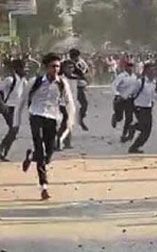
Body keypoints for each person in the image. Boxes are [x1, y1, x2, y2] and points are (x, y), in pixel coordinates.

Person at [15, 53, 75, 200]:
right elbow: (22, 101)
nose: (56, 69)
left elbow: (70, 104)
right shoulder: (35, 82)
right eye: (53, 66)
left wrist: (69, 124)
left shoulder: (62, 84)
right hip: (36, 116)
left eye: (58, 66)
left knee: (48, 154)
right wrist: (16, 122)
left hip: (52, 118)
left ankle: (31, 156)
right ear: (46, 68)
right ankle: (44, 187)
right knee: (40, 150)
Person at [126, 62, 157, 154]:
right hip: (139, 107)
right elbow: (130, 92)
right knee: (145, 128)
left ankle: (134, 137)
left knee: (147, 129)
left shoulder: (155, 83)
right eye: (151, 70)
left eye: (154, 70)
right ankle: (134, 145)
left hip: (148, 107)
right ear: (146, 71)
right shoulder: (140, 82)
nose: (153, 72)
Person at [0, 59, 27, 161]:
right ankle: (2, 151)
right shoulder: (9, 79)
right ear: (17, 69)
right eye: (23, 67)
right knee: (14, 129)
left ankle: (3, 151)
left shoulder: (23, 80)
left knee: (14, 130)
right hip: (8, 107)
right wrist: (2, 105)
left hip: (16, 108)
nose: (25, 70)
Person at [64, 48, 90, 131]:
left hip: (78, 86)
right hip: (70, 85)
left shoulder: (80, 63)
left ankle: (80, 119)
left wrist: (84, 78)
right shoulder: (67, 63)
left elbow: (85, 71)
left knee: (84, 103)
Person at [111, 60, 136, 132]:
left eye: (131, 66)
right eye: (129, 66)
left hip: (130, 99)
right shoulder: (121, 76)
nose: (130, 68)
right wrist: (117, 94)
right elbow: (114, 85)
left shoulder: (134, 77)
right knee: (120, 117)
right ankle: (115, 117)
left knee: (129, 118)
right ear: (126, 67)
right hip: (121, 98)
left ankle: (125, 132)